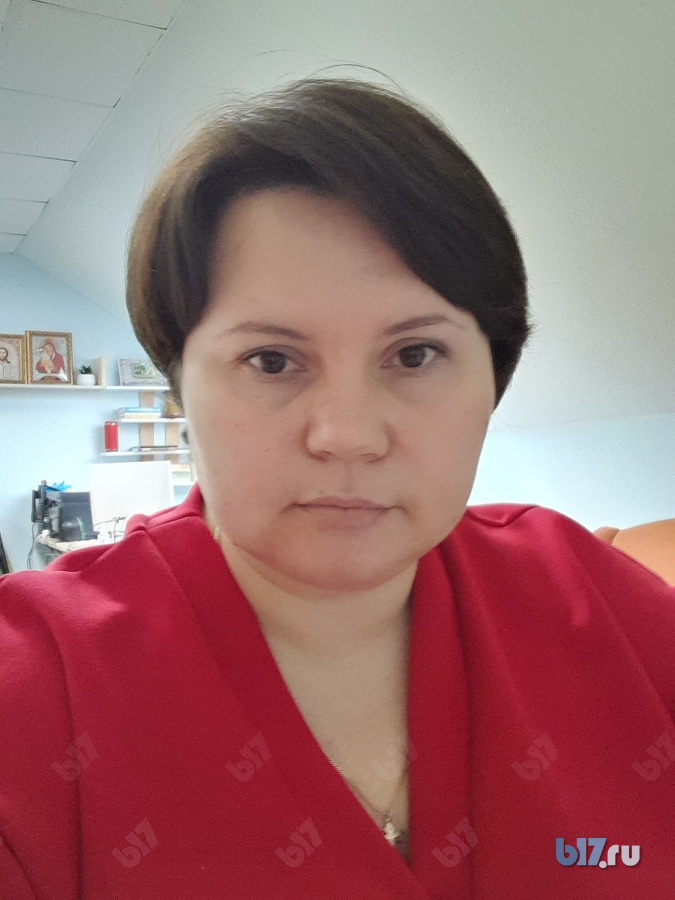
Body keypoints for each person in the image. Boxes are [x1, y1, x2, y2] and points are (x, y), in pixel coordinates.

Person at [1, 78, 673, 899]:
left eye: (415, 355)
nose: (348, 435)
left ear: (492, 375)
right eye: (271, 360)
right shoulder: (36, 681)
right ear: (179, 386)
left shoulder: (596, 598)